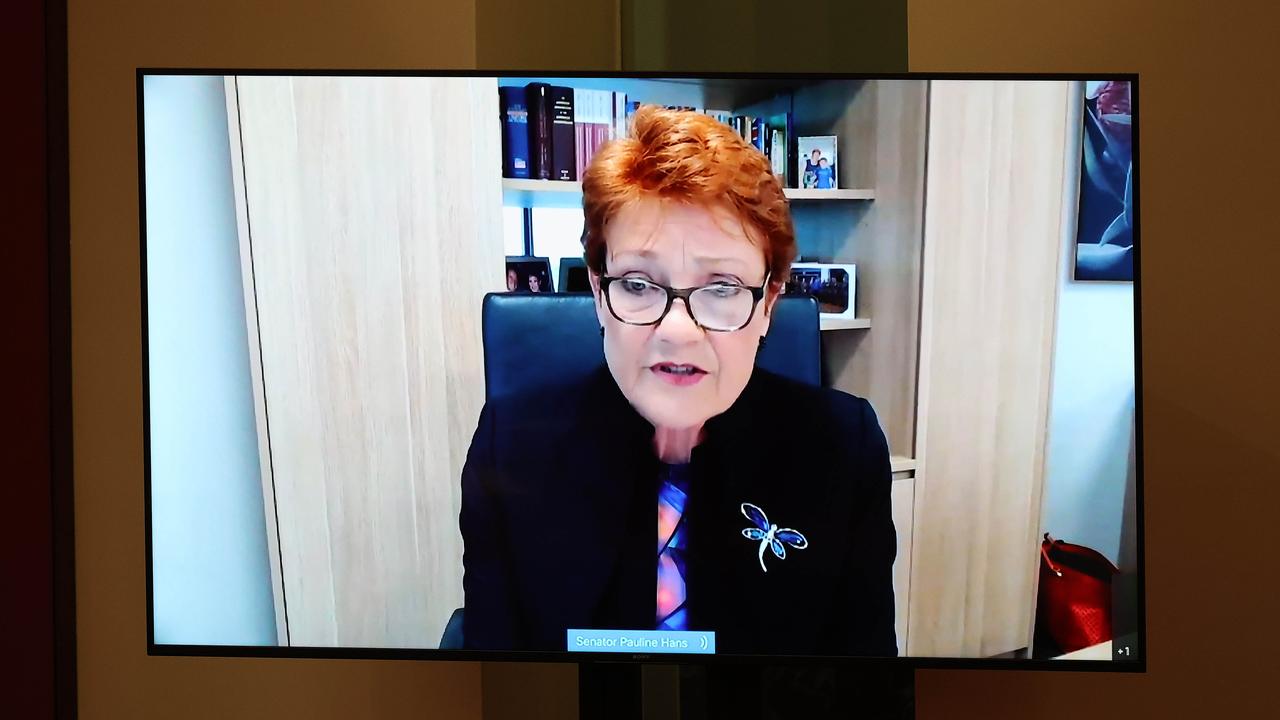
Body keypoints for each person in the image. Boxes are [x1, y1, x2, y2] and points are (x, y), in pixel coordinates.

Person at [460, 105, 896, 657]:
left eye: (722, 287)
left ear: (768, 305)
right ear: (598, 292)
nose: (678, 331)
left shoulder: (843, 448)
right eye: (639, 283)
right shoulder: (512, 447)